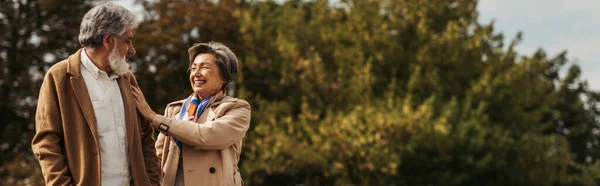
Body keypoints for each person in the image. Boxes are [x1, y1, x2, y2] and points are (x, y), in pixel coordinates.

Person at [31, 3, 160, 186]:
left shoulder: (128, 79)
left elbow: (146, 137)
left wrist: (153, 182)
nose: (132, 50)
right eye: (127, 41)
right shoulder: (59, 77)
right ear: (108, 41)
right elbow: (47, 144)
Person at [131, 42, 251, 186]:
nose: (196, 73)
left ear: (224, 77)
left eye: (204, 67)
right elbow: (158, 158)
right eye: (194, 68)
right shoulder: (174, 110)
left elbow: (205, 136)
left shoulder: (237, 108)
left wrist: (153, 117)